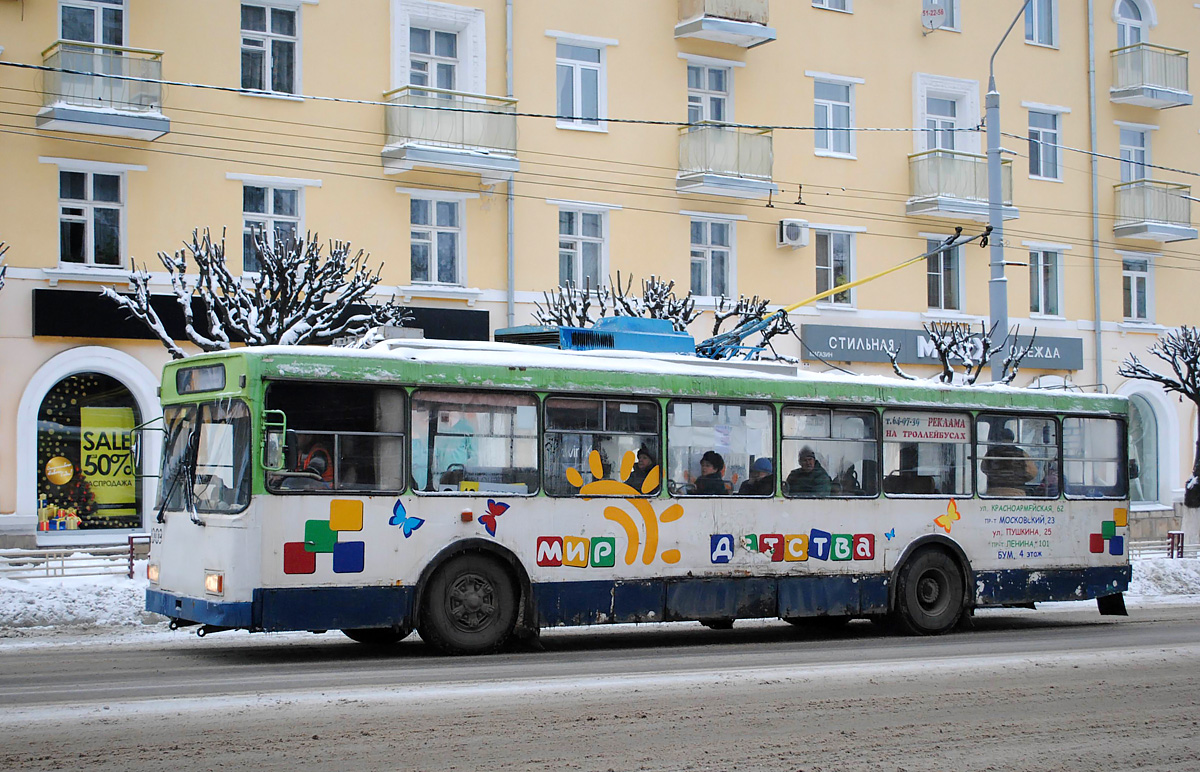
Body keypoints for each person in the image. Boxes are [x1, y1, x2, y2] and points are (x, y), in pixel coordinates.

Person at [981, 427, 1037, 496]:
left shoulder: (991, 453)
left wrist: (995, 476)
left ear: (1000, 438)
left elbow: (983, 468)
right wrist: (1020, 479)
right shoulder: (1021, 453)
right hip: (1016, 491)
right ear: (1012, 439)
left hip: (994, 491)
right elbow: (1032, 472)